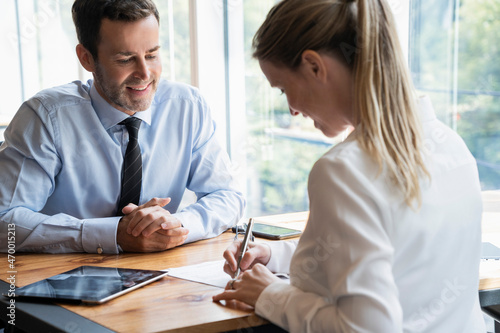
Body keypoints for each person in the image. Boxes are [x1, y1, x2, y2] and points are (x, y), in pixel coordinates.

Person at [213, 0, 485, 332]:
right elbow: (386, 250)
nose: (291, 109)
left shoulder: (343, 172)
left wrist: (270, 293)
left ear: (314, 66)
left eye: (283, 88)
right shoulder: (452, 147)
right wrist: (276, 256)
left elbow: (364, 328)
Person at [0, 0, 244, 254]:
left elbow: (228, 196)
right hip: (62, 280)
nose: (144, 73)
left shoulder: (187, 107)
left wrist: (178, 224)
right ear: (87, 58)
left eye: (152, 55)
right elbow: (4, 220)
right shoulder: (45, 117)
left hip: (162, 277)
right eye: (126, 59)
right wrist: (112, 234)